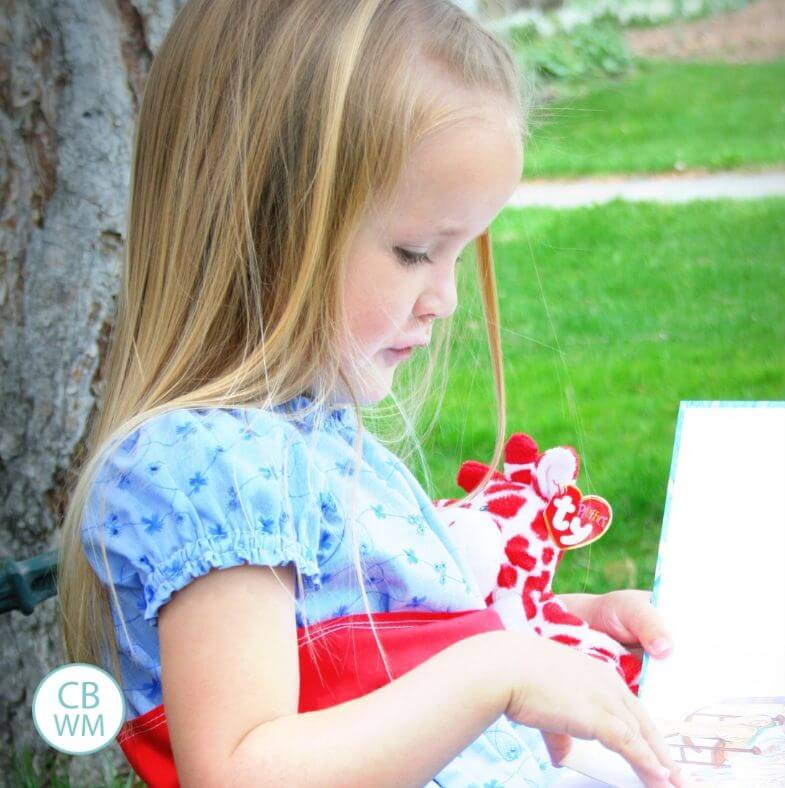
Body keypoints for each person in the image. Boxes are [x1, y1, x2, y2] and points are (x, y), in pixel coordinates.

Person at [56, 1, 685, 786]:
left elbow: (380, 657)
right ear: (263, 216)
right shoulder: (208, 472)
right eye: (416, 251)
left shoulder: (301, 437)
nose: (445, 299)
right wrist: (497, 670)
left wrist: (553, 632)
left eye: (458, 254)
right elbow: (246, 770)